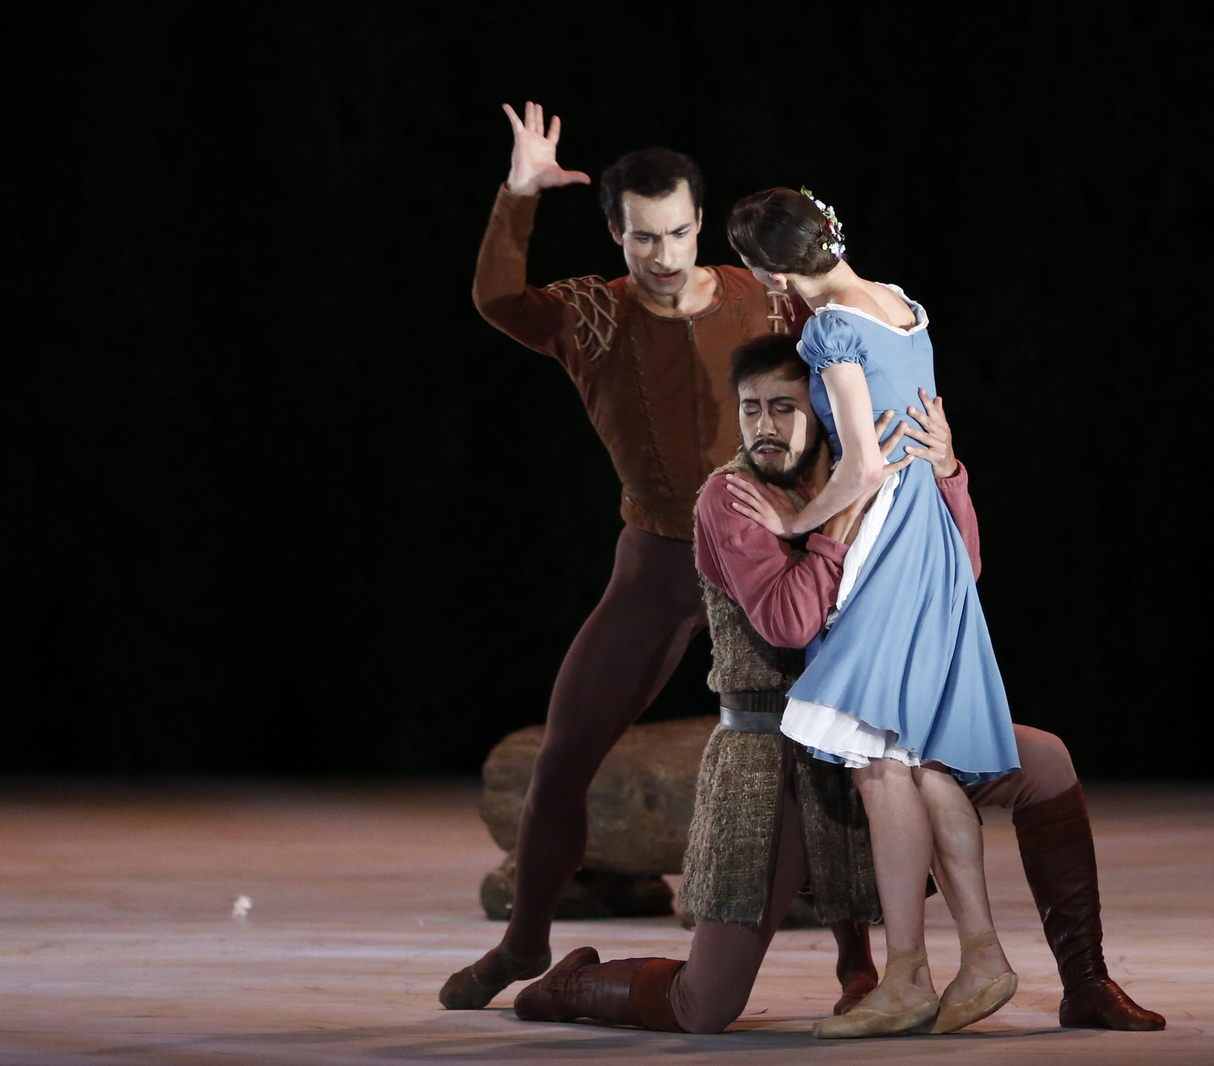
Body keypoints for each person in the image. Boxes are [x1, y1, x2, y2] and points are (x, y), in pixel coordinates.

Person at [510, 335, 1166, 1034]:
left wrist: (946, 475)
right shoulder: (731, 498)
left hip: (882, 722)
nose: (764, 425)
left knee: (1047, 761)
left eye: (784, 408)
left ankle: (1087, 982)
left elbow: (958, 573)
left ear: (824, 410)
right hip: (776, 757)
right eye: (751, 408)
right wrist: (841, 522)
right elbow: (791, 622)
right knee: (704, 1006)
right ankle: (576, 983)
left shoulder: (868, 472)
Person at [437, 103, 881, 1010]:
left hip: (768, 558)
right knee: (564, 757)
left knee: (825, 753)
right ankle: (525, 944)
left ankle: (857, 963)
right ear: (617, 233)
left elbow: (855, 321)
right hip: (655, 566)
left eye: (678, 231)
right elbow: (494, 301)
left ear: (696, 222)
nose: (666, 254)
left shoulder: (764, 295)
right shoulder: (589, 314)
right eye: (644, 237)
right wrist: (518, 195)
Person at [719, 187, 1019, 1038]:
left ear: (769, 269)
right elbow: (911, 437)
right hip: (930, 533)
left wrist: (792, 521)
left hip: (888, 535)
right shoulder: (898, 303)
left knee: (879, 756)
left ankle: (909, 978)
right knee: (923, 762)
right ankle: (984, 956)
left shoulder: (833, 328)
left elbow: (861, 468)